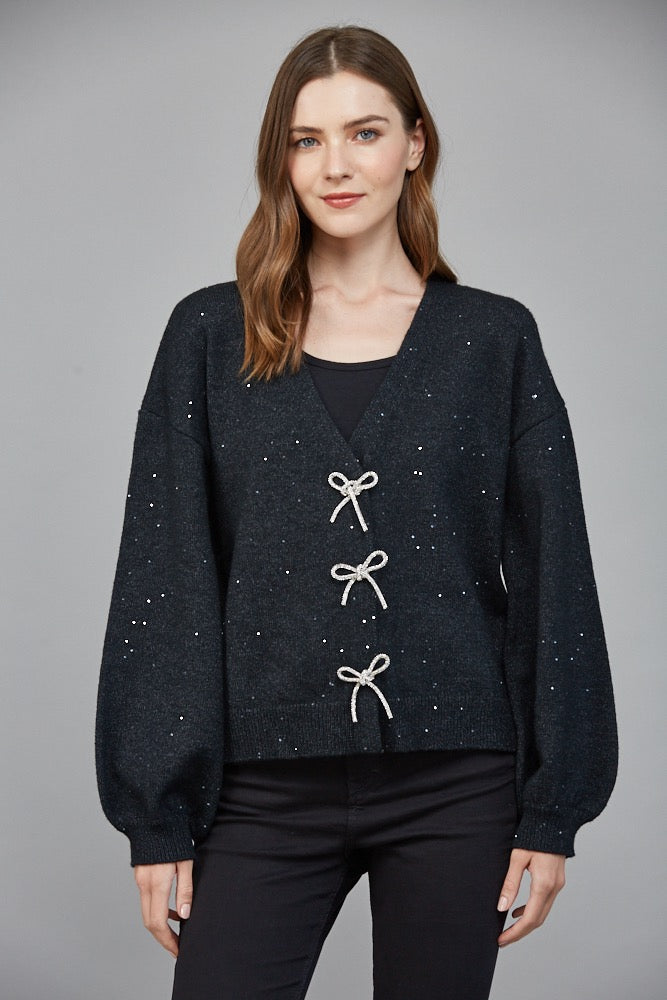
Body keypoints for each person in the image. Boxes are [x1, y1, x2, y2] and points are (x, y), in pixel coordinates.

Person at [95, 24, 618, 1000]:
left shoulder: (492, 341)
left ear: (414, 143)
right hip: (259, 785)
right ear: (281, 157)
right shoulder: (209, 335)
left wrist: (553, 809)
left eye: (364, 132)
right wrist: (157, 817)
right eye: (307, 139)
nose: (335, 165)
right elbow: (165, 577)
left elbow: (556, 577)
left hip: (457, 782)